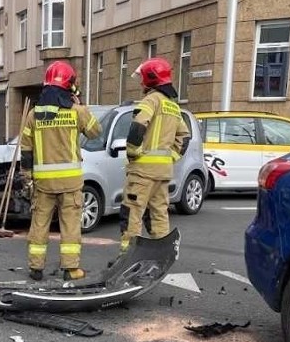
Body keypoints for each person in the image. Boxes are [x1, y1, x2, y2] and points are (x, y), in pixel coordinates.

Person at [19, 61, 101, 281]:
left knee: (39, 224)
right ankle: (71, 268)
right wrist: (81, 104)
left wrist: (27, 178)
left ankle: (36, 268)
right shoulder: (76, 112)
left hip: (44, 184)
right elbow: (95, 132)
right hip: (70, 183)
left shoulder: (34, 115)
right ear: (68, 86)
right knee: (70, 226)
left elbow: (26, 151)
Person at [119, 57, 189, 254]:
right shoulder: (172, 105)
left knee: (132, 213)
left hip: (142, 172)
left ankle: (127, 257)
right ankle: (161, 256)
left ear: (151, 79)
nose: (141, 82)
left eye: (143, 78)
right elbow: (184, 137)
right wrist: (171, 158)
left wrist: (133, 153)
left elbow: (138, 125)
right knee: (159, 214)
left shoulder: (151, 100)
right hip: (163, 173)